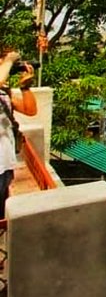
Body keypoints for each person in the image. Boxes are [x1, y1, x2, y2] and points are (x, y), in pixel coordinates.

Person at [0, 49, 37, 219]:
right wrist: (8, 60)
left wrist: (25, 87)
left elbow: (30, 110)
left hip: (4, 163)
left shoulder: (3, 93)